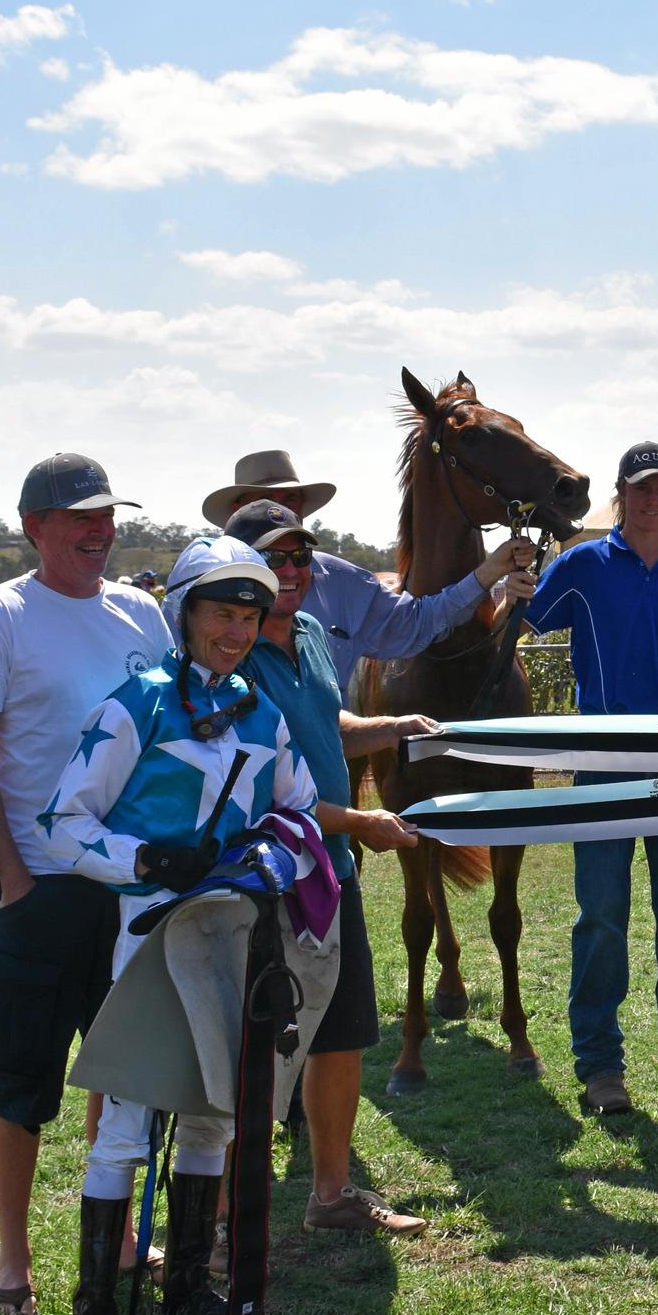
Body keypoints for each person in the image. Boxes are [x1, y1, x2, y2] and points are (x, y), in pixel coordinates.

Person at [38, 538, 321, 1315]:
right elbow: (62, 822)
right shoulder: (138, 706)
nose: (236, 632)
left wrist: (271, 859)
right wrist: (147, 861)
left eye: (249, 616)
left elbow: (299, 811)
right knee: (126, 1124)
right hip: (144, 936)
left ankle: (190, 1282)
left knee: (213, 1113)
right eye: (220, 614)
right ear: (184, 614)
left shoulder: (264, 715)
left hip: (228, 934)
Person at [0, 453, 164, 1315]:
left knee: (120, 1071)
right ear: (34, 525)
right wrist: (18, 875)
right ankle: (13, 1260)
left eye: (107, 515)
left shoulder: (142, 613)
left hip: (130, 887)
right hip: (43, 889)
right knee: (21, 1081)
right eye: (80, 517)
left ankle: (112, 1240)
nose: (98, 531)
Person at [224, 500, 436, 1236]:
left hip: (330, 870)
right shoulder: (231, 654)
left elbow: (327, 724)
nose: (290, 571)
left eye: (300, 556)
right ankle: (222, 1226)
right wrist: (362, 823)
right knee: (257, 1049)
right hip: (268, 876)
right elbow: (258, 798)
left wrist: (394, 726)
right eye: (273, 558)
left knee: (341, 1033)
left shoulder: (312, 632)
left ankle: (332, 1193)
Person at [523, 442, 658, 1115]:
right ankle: (601, 1065)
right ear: (621, 494)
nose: (653, 498)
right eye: (641, 487)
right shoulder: (584, 562)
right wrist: (506, 581)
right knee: (602, 918)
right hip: (603, 765)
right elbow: (525, 621)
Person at [201, 449, 528, 686]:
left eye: (290, 500)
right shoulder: (197, 589)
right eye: (266, 501)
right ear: (238, 510)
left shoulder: (342, 583)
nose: (280, 512)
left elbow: (415, 622)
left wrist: (488, 571)